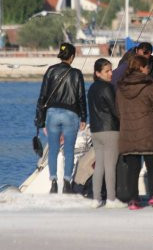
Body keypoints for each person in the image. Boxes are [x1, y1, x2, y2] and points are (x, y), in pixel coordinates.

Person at [36, 43, 87, 194]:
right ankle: (66, 182)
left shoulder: (51, 71)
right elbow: (80, 97)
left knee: (53, 149)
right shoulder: (77, 74)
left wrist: (40, 118)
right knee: (69, 150)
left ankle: (53, 182)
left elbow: (43, 96)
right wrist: (84, 117)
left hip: (52, 113)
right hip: (71, 114)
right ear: (72, 57)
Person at [116, 55, 153, 210]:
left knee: (133, 168)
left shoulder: (121, 87)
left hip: (129, 132)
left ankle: (133, 200)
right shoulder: (149, 85)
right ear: (141, 67)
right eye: (147, 67)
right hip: (149, 130)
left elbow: (118, 111)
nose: (148, 69)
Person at [87, 58, 127, 209]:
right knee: (110, 165)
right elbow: (115, 109)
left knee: (99, 166)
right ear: (97, 73)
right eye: (107, 71)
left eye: (111, 70)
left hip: (96, 131)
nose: (111, 73)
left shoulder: (91, 88)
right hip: (110, 130)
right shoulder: (108, 88)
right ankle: (111, 198)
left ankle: (96, 198)